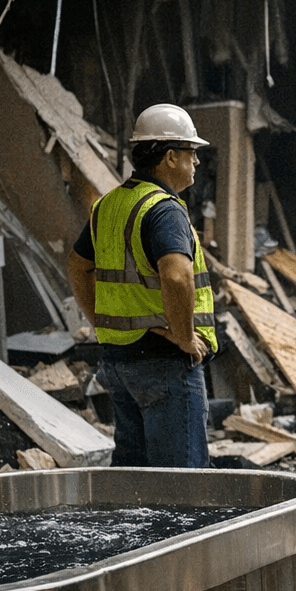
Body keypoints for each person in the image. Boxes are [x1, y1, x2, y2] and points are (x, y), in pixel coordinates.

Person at [68, 103, 221, 468]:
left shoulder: (109, 205)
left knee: (135, 483)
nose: (196, 162)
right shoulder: (164, 209)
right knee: (182, 484)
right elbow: (176, 275)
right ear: (170, 157)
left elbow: (77, 266)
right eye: (191, 153)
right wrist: (184, 336)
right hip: (165, 364)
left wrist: (100, 322)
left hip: (120, 362)